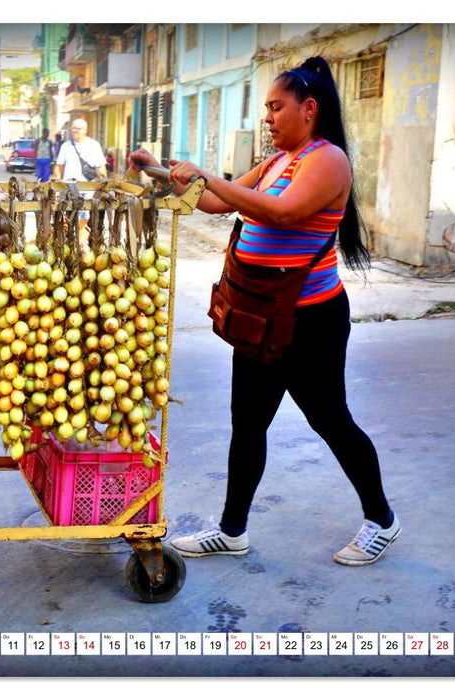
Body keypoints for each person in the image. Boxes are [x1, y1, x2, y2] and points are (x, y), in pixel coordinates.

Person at [128, 56, 399, 567]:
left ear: (309, 108)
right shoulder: (277, 161)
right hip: (261, 315)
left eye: (276, 107)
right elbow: (214, 202)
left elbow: (281, 211)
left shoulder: (327, 160)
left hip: (310, 321)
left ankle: (382, 519)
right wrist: (161, 171)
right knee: (247, 423)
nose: (268, 118)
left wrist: (204, 174)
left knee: (330, 419)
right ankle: (232, 531)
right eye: (266, 110)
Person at [52, 119, 107, 238]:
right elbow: (59, 168)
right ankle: (70, 242)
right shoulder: (65, 146)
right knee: (67, 218)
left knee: (85, 218)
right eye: (73, 128)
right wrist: (56, 188)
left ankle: (82, 243)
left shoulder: (94, 145)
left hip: (88, 190)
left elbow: (100, 168)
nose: (75, 131)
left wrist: (103, 185)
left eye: (78, 128)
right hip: (69, 190)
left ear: (85, 130)